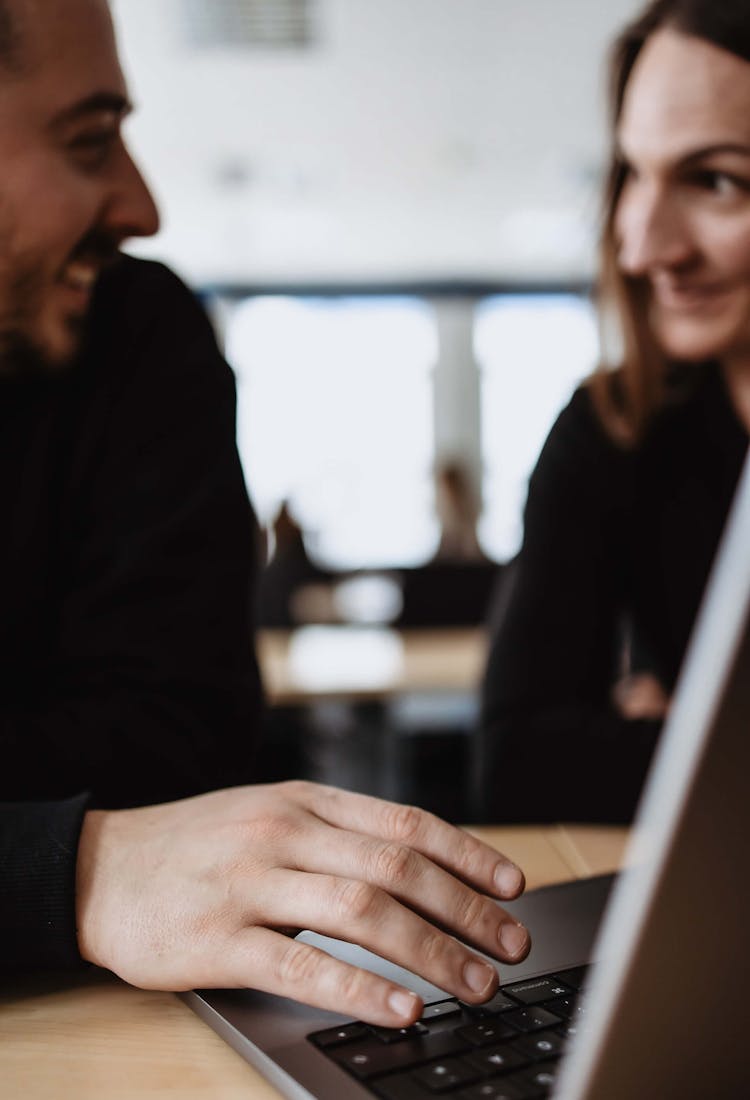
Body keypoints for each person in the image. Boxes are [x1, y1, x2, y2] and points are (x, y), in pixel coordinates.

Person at [0, 0, 531, 1027]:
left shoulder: (142, 339)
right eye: (88, 139)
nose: (142, 202)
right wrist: (71, 863)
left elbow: (176, 753)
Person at [479, 0, 750, 824]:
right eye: (634, 172)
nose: (641, 246)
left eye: (716, 180)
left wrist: (688, 749)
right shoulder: (616, 428)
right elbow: (519, 763)